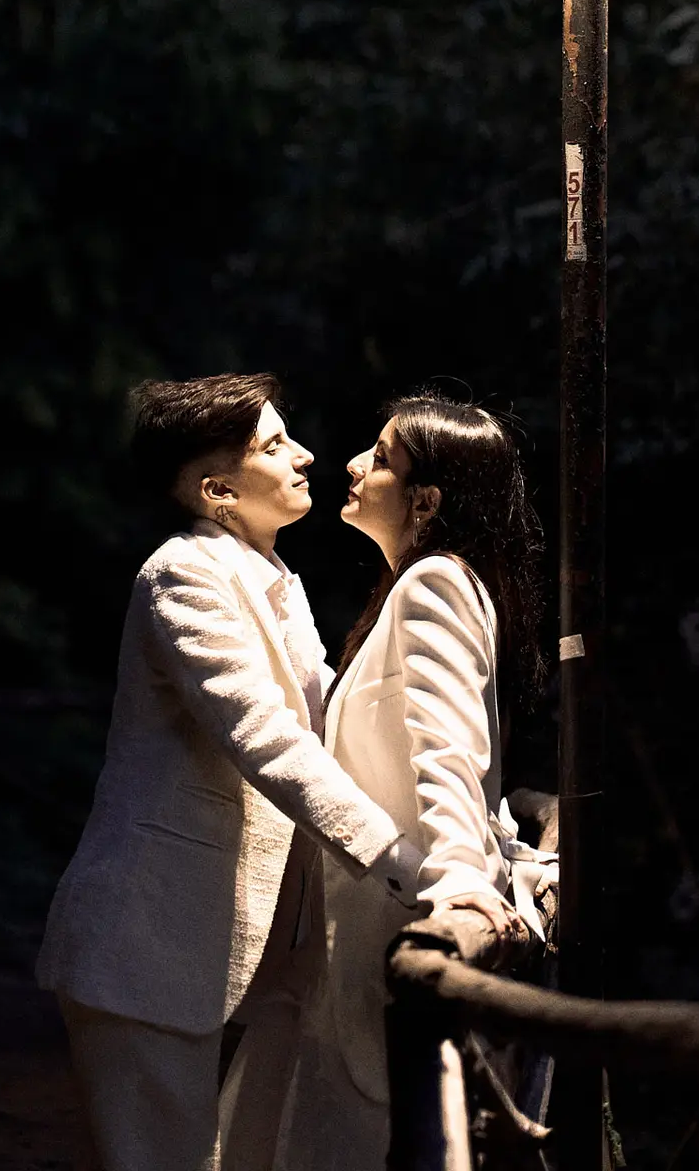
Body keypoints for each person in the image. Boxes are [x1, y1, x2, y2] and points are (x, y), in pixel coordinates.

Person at [35, 372, 424, 1171]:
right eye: (275, 444)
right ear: (216, 488)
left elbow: (332, 734)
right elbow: (268, 738)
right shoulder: (184, 574)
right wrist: (399, 863)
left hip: (239, 946)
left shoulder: (271, 576)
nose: (306, 455)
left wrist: (481, 845)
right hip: (146, 935)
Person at [274, 392, 546, 1171]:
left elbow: (448, 747)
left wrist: (462, 881)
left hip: (392, 929)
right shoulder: (416, 587)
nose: (354, 466)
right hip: (360, 932)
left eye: (382, 458)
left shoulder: (435, 583)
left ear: (424, 499)